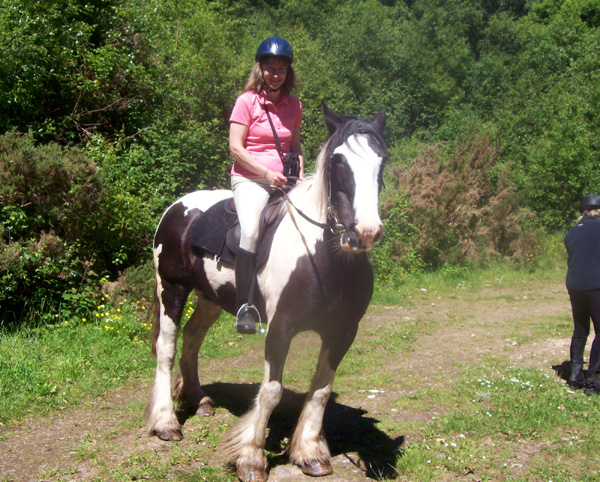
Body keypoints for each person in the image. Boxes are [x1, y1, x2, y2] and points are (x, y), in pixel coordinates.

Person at [229, 36, 304, 334]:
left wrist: (299, 175)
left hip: (284, 181)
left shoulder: (294, 105)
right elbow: (235, 148)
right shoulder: (246, 102)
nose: (276, 73)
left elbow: (295, 147)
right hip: (250, 179)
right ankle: (244, 306)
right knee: (250, 231)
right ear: (260, 70)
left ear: (288, 73)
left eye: (281, 68)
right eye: (270, 68)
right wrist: (265, 173)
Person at [564, 194, 600, 394]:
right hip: (596, 285)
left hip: (575, 286)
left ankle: (575, 376)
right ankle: (593, 382)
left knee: (580, 331)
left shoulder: (572, 232)